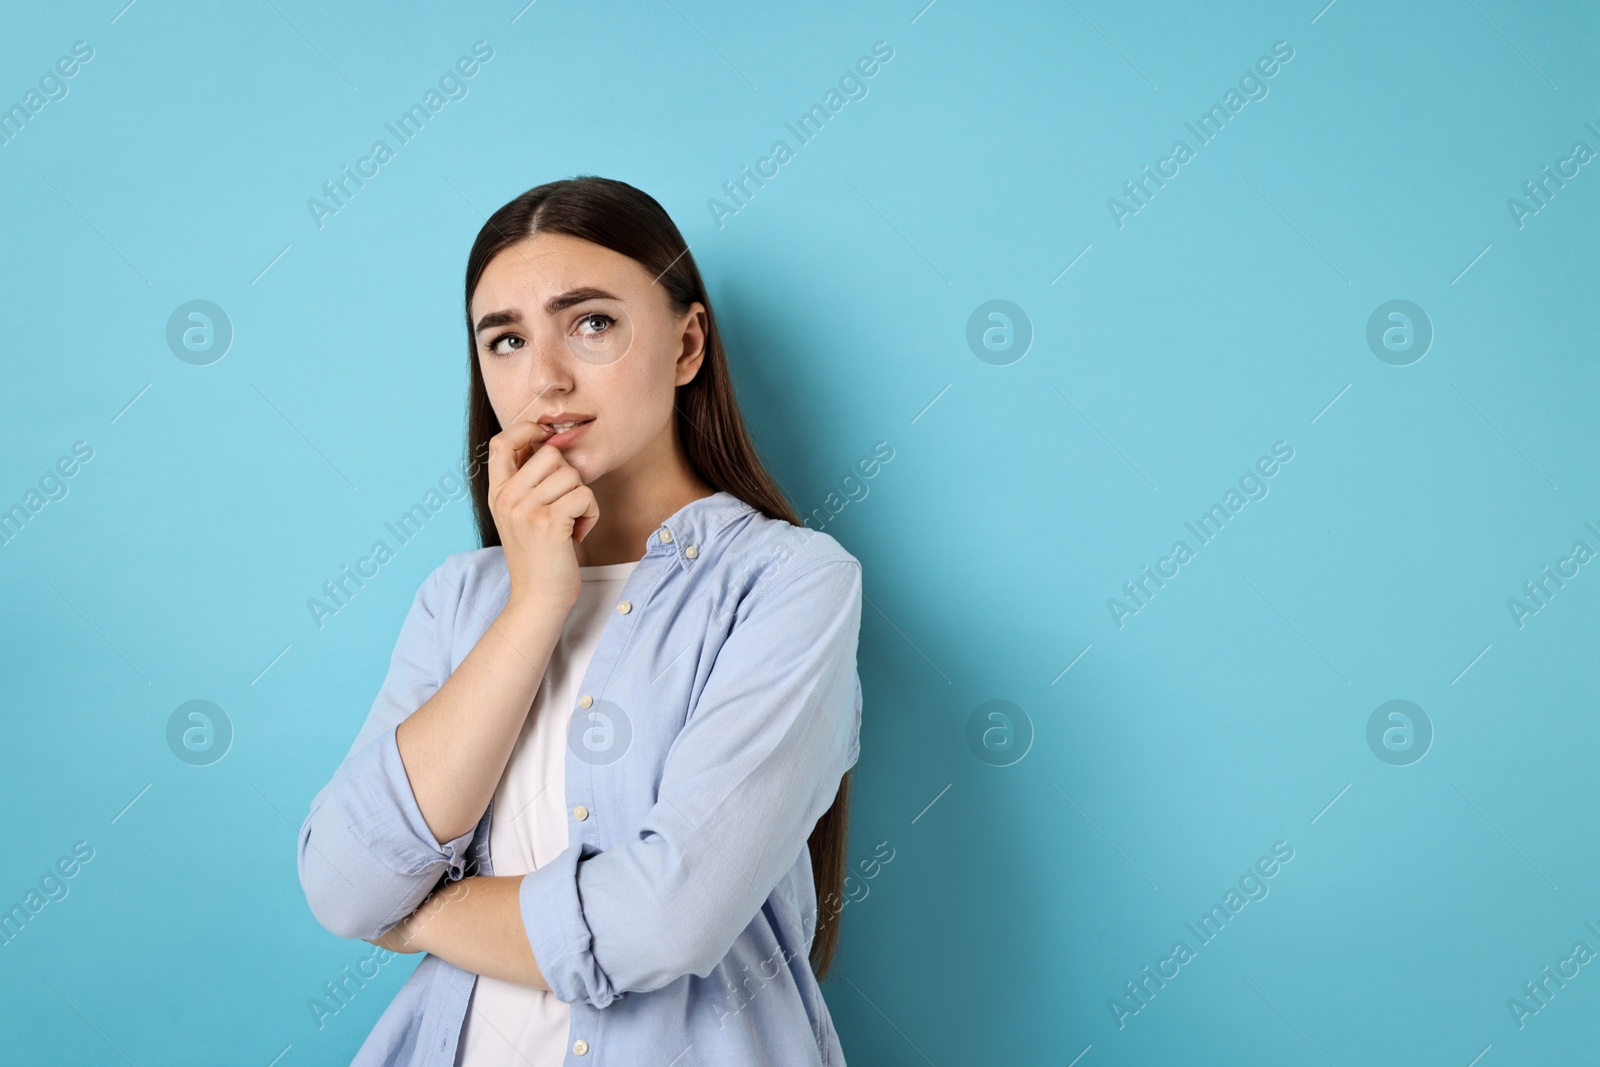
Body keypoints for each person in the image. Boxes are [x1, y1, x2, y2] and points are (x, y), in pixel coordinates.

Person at [297, 175, 864, 1066]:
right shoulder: (460, 597)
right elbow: (339, 884)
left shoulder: (791, 583)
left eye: (592, 322)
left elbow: (664, 922)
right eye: (507, 339)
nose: (545, 378)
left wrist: (418, 910)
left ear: (687, 344)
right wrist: (535, 602)